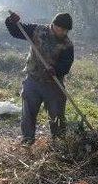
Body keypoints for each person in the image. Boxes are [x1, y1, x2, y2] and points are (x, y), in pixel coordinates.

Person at [5, 11, 74, 146]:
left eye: (66, 30)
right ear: (53, 25)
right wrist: (11, 21)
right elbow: (16, 31)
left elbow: (66, 65)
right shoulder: (37, 30)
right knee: (28, 114)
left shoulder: (67, 45)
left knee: (57, 116)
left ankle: (59, 143)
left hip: (54, 84)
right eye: (61, 29)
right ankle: (27, 141)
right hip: (33, 80)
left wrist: (56, 70)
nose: (63, 32)